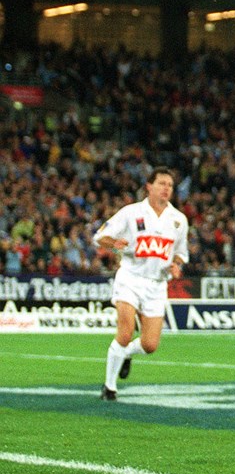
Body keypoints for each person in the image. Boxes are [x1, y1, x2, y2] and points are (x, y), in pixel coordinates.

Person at [93, 166, 189, 401]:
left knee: (149, 345)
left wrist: (176, 264)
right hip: (130, 279)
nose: (166, 188)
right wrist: (114, 243)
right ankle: (109, 387)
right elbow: (100, 237)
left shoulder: (178, 220)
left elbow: (180, 253)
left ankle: (125, 354)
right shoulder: (131, 212)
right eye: (162, 183)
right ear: (149, 186)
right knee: (125, 333)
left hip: (157, 285)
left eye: (170, 185)